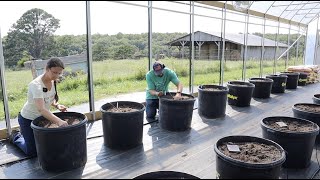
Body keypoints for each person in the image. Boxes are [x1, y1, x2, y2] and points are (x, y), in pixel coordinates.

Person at [9, 57, 68, 157]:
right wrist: (59, 121)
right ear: (47, 69)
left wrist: (57, 105)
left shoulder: (53, 81)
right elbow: (41, 109)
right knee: (32, 152)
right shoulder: (36, 85)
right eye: (54, 72)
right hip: (28, 119)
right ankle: (15, 136)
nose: (57, 75)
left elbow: (48, 98)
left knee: (46, 146)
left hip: (42, 118)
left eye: (59, 73)